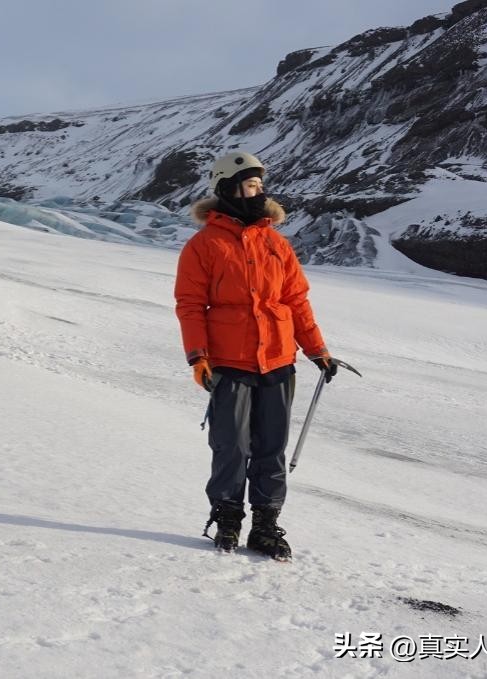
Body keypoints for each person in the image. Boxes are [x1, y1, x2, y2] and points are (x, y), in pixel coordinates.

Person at [173, 151, 337, 558]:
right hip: (230, 361)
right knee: (231, 445)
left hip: (279, 359)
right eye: (251, 184)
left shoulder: (276, 243)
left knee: (271, 448)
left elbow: (296, 300)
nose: (260, 191)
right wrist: (198, 357)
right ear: (230, 188)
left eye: (261, 185)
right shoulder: (204, 245)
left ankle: (266, 524)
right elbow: (190, 304)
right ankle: (227, 518)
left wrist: (317, 349)